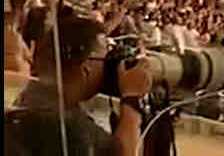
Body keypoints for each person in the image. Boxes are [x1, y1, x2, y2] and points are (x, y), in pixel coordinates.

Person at [4, 14, 152, 156]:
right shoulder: (71, 128)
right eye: (105, 59)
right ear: (86, 68)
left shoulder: (27, 99)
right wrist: (132, 100)